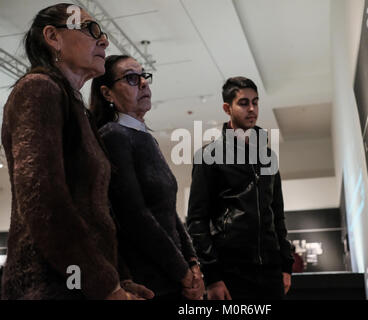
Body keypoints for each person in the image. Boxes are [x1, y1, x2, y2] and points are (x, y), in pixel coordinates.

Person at [1, 4, 153, 300]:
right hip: (48, 285)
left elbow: (97, 211)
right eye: (90, 29)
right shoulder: (38, 88)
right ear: (53, 37)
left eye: (103, 33)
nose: (104, 40)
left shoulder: (76, 109)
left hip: (79, 283)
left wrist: (121, 278)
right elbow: (42, 198)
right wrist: (106, 285)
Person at [90, 55, 205, 300]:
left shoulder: (146, 138)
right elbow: (134, 217)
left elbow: (169, 212)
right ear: (107, 93)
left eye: (144, 76)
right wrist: (183, 271)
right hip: (148, 282)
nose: (143, 83)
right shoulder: (113, 135)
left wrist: (193, 263)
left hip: (173, 277)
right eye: (131, 78)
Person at [186, 76, 294, 300]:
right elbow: (197, 221)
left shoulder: (267, 158)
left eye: (255, 102)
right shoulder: (209, 156)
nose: (252, 108)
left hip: (271, 271)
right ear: (227, 108)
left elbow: (277, 215)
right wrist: (213, 276)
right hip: (231, 273)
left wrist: (285, 265)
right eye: (244, 103)